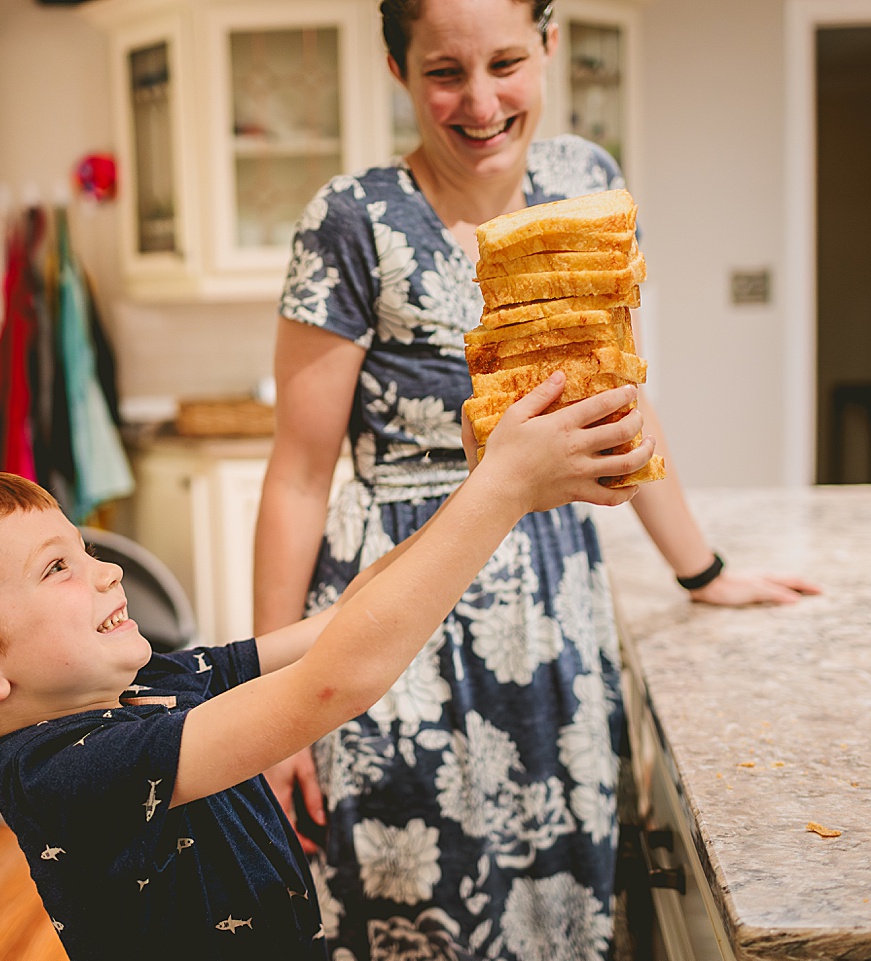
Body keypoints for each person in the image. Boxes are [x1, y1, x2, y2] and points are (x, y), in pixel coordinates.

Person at [254, 0, 821, 957]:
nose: (481, 101)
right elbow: (299, 476)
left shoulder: (585, 184)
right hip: (401, 610)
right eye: (445, 72)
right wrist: (272, 713)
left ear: (551, 46)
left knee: (558, 907)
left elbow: (616, 409)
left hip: (556, 611)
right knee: (413, 907)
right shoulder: (351, 222)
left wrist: (704, 571)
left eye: (508, 61)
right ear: (397, 69)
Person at [0, 377, 654, 961]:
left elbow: (336, 626)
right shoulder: (61, 772)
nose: (107, 570)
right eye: (56, 568)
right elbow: (336, 680)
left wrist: (485, 493)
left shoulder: (146, 687)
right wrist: (502, 490)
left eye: (83, 549)